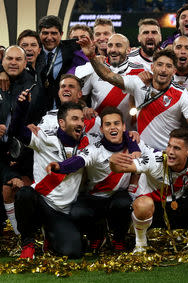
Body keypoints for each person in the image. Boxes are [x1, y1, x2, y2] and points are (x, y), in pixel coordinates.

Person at [109, 128, 188, 253]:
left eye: (177, 148)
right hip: (153, 208)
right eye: (169, 146)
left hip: (178, 205)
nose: (170, 152)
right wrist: (112, 162)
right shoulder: (155, 160)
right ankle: (140, 245)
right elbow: (120, 168)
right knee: (143, 205)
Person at [78, 37, 188, 151]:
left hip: (168, 154)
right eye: (159, 65)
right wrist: (92, 56)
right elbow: (107, 75)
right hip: (142, 153)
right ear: (152, 67)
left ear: (174, 70)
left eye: (168, 66)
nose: (163, 69)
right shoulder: (138, 83)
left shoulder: (182, 94)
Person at [46, 107, 140, 252]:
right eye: (108, 124)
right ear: (101, 129)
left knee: (123, 203)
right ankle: (96, 234)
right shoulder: (94, 148)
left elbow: (151, 158)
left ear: (124, 126)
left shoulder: (135, 145)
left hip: (118, 196)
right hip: (95, 197)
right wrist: (60, 166)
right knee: (77, 213)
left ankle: (119, 238)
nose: (113, 127)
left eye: (116, 123)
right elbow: (78, 161)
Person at [11, 100, 90, 259]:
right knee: (24, 194)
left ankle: (50, 236)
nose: (80, 123)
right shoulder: (45, 139)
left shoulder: (86, 146)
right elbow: (16, 130)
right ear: (61, 122)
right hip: (40, 202)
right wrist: (22, 108)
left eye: (82, 119)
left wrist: (132, 138)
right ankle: (27, 242)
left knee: (74, 252)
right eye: (74, 119)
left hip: (61, 212)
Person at [75, 33, 145, 129]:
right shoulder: (93, 67)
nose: (113, 50)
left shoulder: (140, 71)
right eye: (110, 45)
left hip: (129, 132)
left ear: (128, 50)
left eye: (118, 45)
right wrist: (85, 108)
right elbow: (79, 99)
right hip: (97, 131)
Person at [37, 15, 82, 110]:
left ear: (61, 34)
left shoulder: (73, 47)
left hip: (65, 109)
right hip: (39, 110)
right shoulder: (33, 50)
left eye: (53, 33)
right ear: (39, 34)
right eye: (45, 33)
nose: (49, 37)